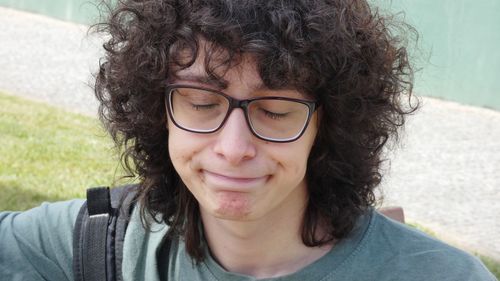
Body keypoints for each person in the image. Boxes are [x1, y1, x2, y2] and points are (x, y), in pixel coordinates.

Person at [0, 0, 496, 280]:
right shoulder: (92, 244)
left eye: (275, 111)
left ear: (330, 127)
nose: (232, 147)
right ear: (159, 113)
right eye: (201, 103)